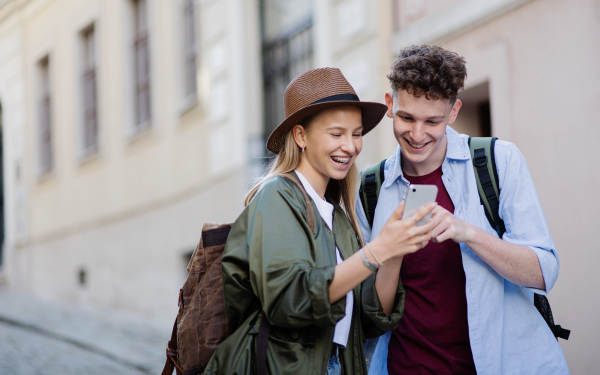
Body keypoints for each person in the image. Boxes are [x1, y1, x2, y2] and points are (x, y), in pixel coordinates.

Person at [203, 67, 437, 375]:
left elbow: (371, 320)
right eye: (336, 134)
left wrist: (393, 254)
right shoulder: (277, 196)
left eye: (356, 134)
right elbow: (289, 300)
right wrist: (375, 252)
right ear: (301, 136)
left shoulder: (337, 214)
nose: (350, 146)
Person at [359, 45, 569, 374]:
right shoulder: (369, 188)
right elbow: (374, 315)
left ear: (454, 111)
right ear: (390, 104)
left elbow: (544, 272)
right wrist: (392, 251)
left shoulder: (499, 160)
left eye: (432, 121)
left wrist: (468, 233)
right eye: (407, 117)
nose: (416, 134)